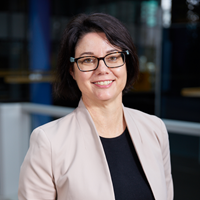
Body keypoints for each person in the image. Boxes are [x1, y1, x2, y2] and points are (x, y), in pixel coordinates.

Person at [18, 13, 173, 200]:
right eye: (88, 60)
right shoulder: (49, 143)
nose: (102, 69)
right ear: (72, 71)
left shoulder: (154, 129)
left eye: (113, 57)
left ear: (126, 63)